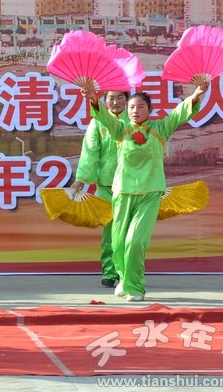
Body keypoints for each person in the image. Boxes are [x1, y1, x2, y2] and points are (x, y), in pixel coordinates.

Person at [80, 80, 207, 302]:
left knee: (135, 241)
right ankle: (123, 278)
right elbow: (104, 117)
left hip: (150, 193)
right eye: (131, 107)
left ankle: (135, 287)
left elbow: (179, 114)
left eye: (140, 107)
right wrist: (92, 97)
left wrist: (196, 94)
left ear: (149, 109)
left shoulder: (160, 128)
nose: (135, 110)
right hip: (122, 193)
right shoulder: (120, 129)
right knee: (118, 243)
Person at [71, 90, 128, 288]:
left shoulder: (136, 121)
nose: (115, 102)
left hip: (132, 186)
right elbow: (90, 152)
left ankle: (128, 273)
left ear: (127, 99)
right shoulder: (97, 123)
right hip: (107, 186)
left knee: (131, 233)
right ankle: (110, 272)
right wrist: (81, 179)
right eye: (111, 98)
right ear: (104, 100)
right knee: (110, 232)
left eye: (120, 97)